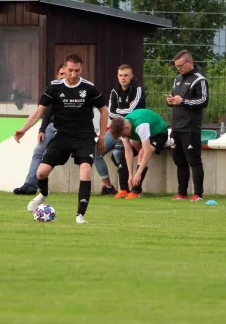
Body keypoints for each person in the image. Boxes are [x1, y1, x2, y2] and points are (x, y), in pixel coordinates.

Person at [14, 54, 108, 224]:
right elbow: (39, 111)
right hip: (62, 136)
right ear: (64, 69)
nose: (73, 74)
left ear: (81, 69)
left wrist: (101, 136)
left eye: (77, 71)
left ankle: (80, 215)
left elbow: (104, 110)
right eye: (70, 70)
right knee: (41, 172)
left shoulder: (89, 88)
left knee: (85, 168)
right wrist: (24, 129)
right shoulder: (54, 87)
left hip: (84, 136)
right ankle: (43, 193)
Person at [14, 64, 66, 195]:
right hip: (51, 126)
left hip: (68, 129)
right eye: (61, 74)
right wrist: (41, 129)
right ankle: (30, 185)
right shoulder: (53, 89)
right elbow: (46, 111)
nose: (64, 76)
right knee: (38, 152)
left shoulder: (79, 91)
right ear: (57, 76)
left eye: (67, 73)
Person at [96, 64, 146, 196]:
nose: (123, 78)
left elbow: (132, 112)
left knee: (118, 154)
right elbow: (109, 113)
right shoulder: (114, 91)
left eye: (126, 75)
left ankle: (129, 188)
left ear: (131, 76)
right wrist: (119, 114)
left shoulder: (138, 90)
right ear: (117, 77)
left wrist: (118, 112)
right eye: (120, 75)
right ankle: (108, 186)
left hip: (132, 129)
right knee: (96, 151)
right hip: (115, 129)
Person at [166, 50, 209, 202]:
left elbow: (203, 101)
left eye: (180, 66)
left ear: (189, 63)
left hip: (190, 128)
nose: (178, 69)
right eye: (176, 66)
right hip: (176, 127)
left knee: (194, 160)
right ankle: (181, 193)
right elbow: (175, 98)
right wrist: (170, 101)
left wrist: (183, 101)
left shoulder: (200, 80)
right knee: (179, 161)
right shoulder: (177, 79)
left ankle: (198, 194)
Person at [110, 108, 168, 199]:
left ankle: (136, 191)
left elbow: (147, 151)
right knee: (122, 155)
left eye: (123, 135)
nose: (124, 137)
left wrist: (138, 173)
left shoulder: (141, 125)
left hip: (158, 134)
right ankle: (124, 189)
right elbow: (128, 151)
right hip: (143, 136)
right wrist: (130, 175)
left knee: (142, 153)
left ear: (126, 128)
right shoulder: (123, 127)